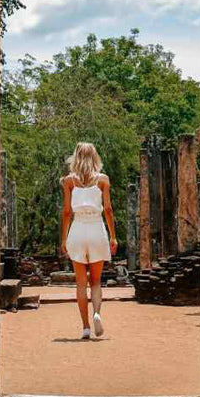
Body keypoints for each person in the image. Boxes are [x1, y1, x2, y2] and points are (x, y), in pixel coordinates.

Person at [60, 142, 118, 339]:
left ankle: (85, 327)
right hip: (96, 229)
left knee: (80, 283)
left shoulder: (69, 181)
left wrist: (63, 238)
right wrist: (113, 236)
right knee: (95, 281)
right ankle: (96, 314)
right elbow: (108, 210)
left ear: (76, 157)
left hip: (77, 230)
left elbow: (67, 212)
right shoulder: (103, 180)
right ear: (95, 157)